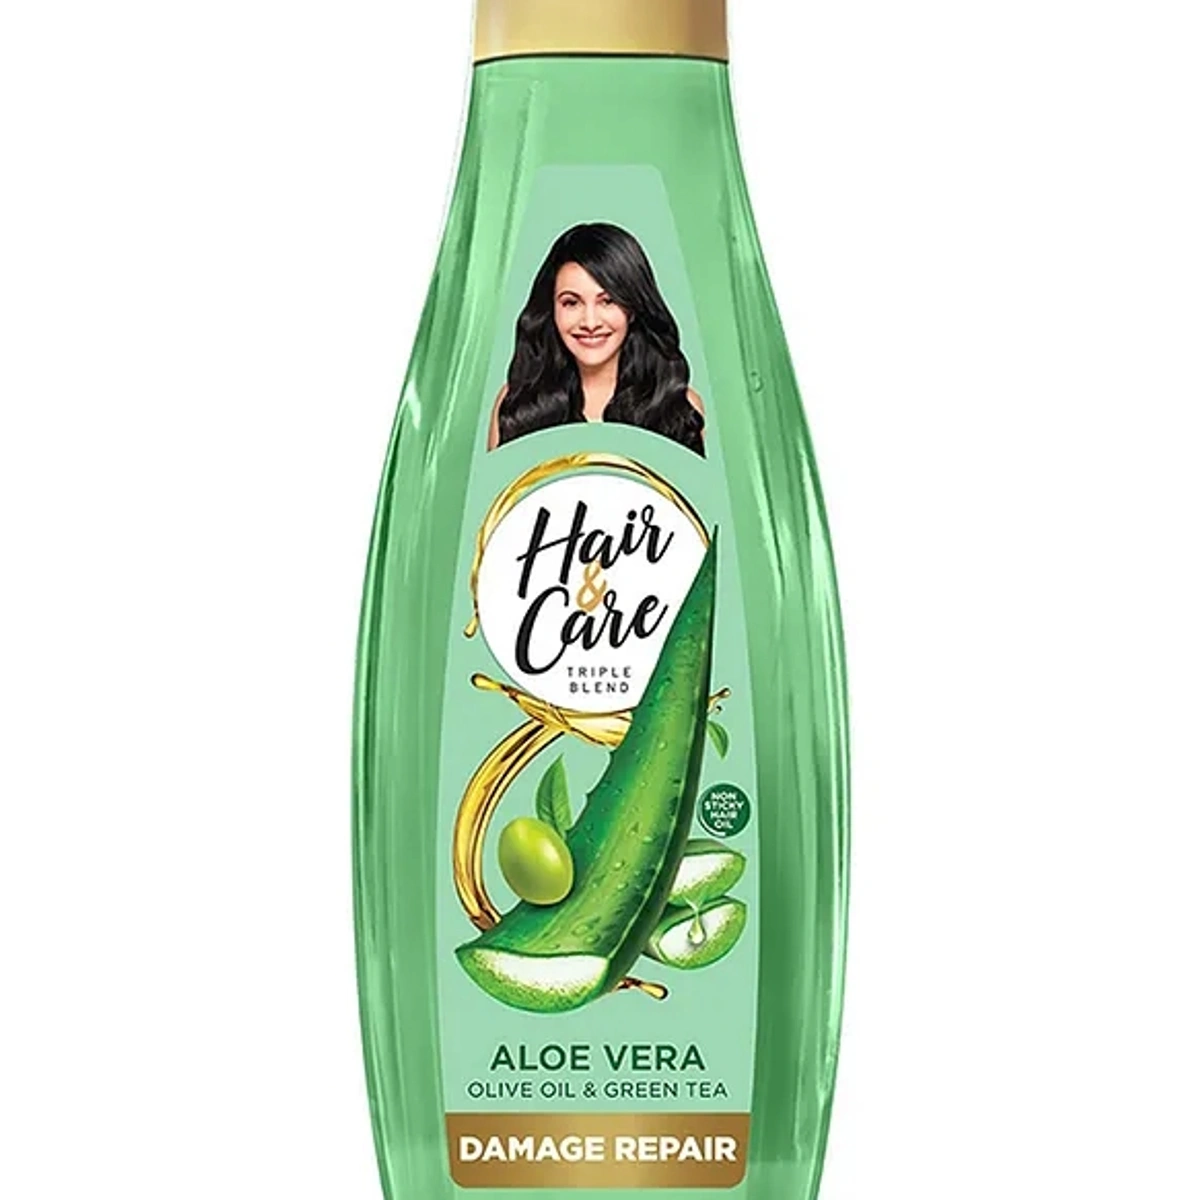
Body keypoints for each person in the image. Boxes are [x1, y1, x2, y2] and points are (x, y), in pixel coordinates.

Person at [488, 223, 705, 455]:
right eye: (571, 302)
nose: (590, 323)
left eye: (608, 301)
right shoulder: (516, 403)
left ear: (632, 308)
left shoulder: (679, 405)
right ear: (552, 309)